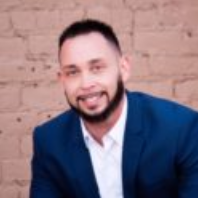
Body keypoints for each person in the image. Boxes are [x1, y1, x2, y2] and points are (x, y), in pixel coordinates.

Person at [30, 19, 198, 198]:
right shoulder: (48, 141)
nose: (86, 84)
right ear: (62, 79)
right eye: (73, 72)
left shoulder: (182, 129)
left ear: (123, 68)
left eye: (97, 68)